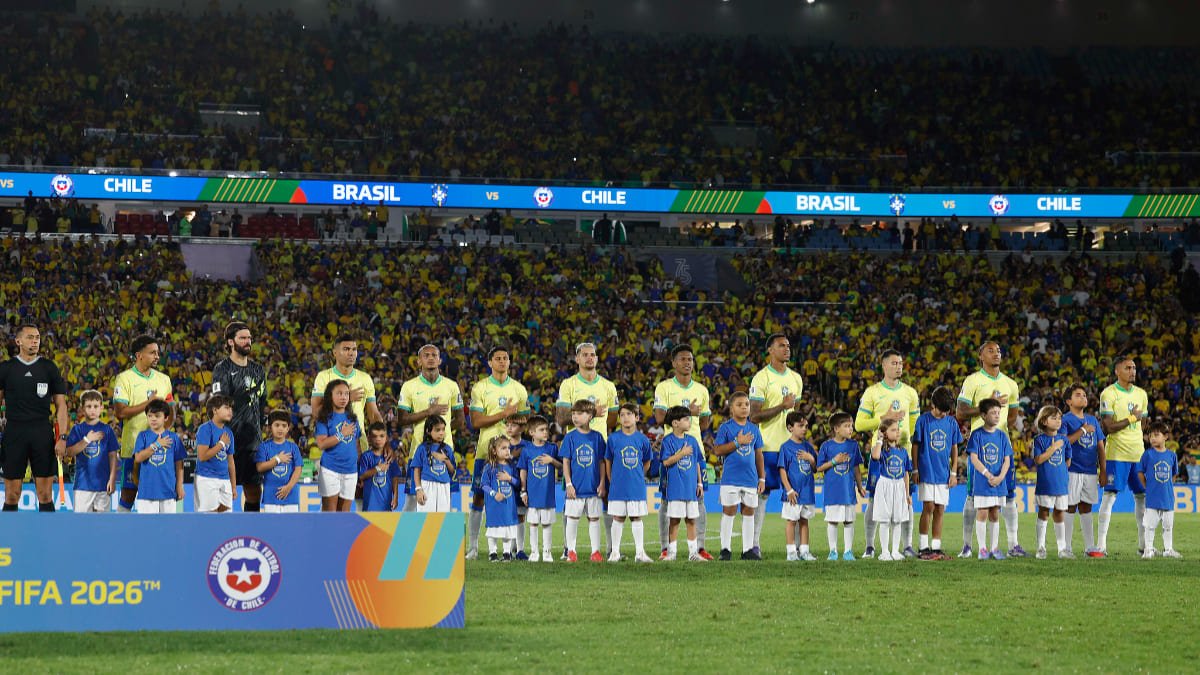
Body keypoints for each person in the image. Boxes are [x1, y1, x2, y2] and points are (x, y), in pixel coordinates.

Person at [956, 341, 1023, 558]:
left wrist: (1000, 428)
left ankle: (1013, 544)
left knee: (1008, 496)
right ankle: (967, 545)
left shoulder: (1011, 384)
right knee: (973, 498)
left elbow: (1013, 414)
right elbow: (960, 412)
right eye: (991, 350)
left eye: (999, 350)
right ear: (981, 355)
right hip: (980, 446)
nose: (997, 353)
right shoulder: (973, 380)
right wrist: (988, 406)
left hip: (1002, 444)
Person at [855, 349, 921, 558]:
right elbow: (859, 424)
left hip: (903, 455)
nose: (898, 366)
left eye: (900, 363)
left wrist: (912, 452)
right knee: (875, 501)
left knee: (906, 499)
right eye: (894, 363)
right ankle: (870, 545)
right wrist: (885, 417)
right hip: (880, 455)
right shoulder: (872, 392)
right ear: (883, 365)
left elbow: (914, 425)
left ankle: (908, 545)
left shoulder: (910, 393)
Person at [556, 342, 619, 557]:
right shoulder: (568, 385)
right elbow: (561, 417)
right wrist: (592, 411)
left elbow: (613, 417)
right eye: (585, 355)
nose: (589, 358)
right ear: (577, 359)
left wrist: (595, 418)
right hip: (576, 452)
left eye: (593, 355)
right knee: (571, 499)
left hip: (600, 448)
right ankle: (568, 549)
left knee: (607, 497)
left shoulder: (608, 386)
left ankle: (611, 549)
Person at [466, 346, 530, 559]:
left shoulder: (519, 389)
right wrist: (504, 413)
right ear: (490, 362)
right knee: (478, 498)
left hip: (512, 454)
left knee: (514, 496)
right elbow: (475, 421)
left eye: (506, 358)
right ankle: (474, 547)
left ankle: (514, 546)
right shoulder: (480, 388)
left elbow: (525, 419)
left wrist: (515, 421)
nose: (502, 361)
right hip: (486, 451)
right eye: (498, 358)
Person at [0, 324, 71, 513]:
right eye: (30, 337)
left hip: (42, 432)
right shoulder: (6, 369)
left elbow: (61, 405)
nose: (35, 341)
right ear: (18, 341)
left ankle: (49, 540)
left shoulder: (48, 368)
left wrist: (62, 437)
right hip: (14, 432)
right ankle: (9, 539)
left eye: (37, 338)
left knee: (45, 494)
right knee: (12, 494)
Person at [652, 345, 714, 560]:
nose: (688, 362)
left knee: (699, 499)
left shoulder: (702, 390)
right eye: (683, 359)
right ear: (674, 363)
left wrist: (693, 420)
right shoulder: (664, 388)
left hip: (694, 451)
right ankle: (665, 547)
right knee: (668, 501)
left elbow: (705, 422)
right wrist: (688, 412)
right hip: (672, 452)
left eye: (690, 359)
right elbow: (660, 418)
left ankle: (699, 547)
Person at [748, 333, 805, 555]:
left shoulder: (796, 378)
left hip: (793, 449)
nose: (787, 349)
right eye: (781, 346)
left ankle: (800, 548)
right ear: (770, 350)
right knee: (761, 496)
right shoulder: (761, 378)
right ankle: (754, 545)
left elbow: (795, 414)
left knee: (796, 496)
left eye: (788, 345)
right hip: (769, 447)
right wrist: (782, 406)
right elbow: (754, 416)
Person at [111, 334, 174, 513]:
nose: (157, 356)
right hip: (133, 448)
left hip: (160, 447)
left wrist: (164, 431)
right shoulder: (125, 378)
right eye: (152, 353)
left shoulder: (164, 380)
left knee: (159, 495)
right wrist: (149, 403)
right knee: (128, 495)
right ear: (139, 355)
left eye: (158, 353)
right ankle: (122, 534)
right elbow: (120, 412)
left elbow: (171, 411)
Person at [211, 322, 268, 512]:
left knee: (253, 491)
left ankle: (251, 529)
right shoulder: (223, 368)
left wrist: (260, 429)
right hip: (229, 439)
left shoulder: (258, 370)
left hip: (253, 440)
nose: (247, 341)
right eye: (242, 338)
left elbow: (262, 402)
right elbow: (219, 403)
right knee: (224, 492)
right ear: (230, 341)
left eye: (249, 338)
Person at [1097, 356, 1150, 557]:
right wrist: (1131, 419)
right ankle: (1101, 546)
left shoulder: (1141, 394)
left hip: (1138, 454)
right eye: (1128, 368)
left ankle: (1144, 546)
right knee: (1109, 497)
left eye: (1134, 367)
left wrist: (1135, 424)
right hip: (1116, 454)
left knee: (1142, 498)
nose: (1133, 371)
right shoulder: (1109, 393)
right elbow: (1107, 427)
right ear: (1117, 371)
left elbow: (1143, 423)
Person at [398, 344, 466, 492]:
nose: (430, 358)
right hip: (417, 450)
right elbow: (402, 419)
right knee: (412, 500)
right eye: (426, 355)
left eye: (434, 355)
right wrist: (428, 412)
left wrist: (439, 432)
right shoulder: (409, 386)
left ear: (440, 360)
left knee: (444, 498)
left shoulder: (452, 386)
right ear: (418, 361)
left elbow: (461, 421)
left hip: (444, 451)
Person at [911, 386, 963, 560]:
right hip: (927, 471)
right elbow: (916, 446)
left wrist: (954, 472)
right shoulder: (923, 421)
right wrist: (915, 468)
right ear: (932, 405)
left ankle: (936, 547)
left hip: (943, 473)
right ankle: (923, 546)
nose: (944, 415)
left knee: (940, 509)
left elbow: (955, 447)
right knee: (929, 507)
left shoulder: (951, 423)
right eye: (942, 411)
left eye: (947, 411)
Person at [712, 391, 765, 561]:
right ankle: (725, 549)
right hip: (731, 479)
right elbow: (717, 450)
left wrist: (762, 478)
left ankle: (748, 550)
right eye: (739, 405)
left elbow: (758, 455)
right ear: (731, 408)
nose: (744, 407)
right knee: (729, 511)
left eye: (747, 404)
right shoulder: (726, 428)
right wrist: (737, 442)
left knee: (749, 512)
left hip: (750, 479)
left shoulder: (754, 429)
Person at [311, 334, 383, 451]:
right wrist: (348, 398)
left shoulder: (365, 378)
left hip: (359, 445)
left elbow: (373, 415)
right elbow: (316, 412)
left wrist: (383, 439)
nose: (351, 353)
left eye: (354, 349)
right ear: (335, 353)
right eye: (346, 349)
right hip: (333, 445)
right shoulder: (323, 377)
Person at [1060, 384, 1107, 557]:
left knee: (1086, 507)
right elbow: (1064, 442)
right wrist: (1082, 430)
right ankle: (1066, 548)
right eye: (1078, 395)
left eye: (1084, 395)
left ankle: (1090, 547)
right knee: (1070, 506)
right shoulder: (1065, 420)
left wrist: (1103, 470)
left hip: (1090, 471)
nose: (1083, 397)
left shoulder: (1093, 420)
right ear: (1069, 401)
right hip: (1072, 470)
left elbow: (1100, 446)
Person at [605, 403, 654, 563]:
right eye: (623, 415)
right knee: (617, 518)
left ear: (637, 417)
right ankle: (615, 553)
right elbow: (608, 461)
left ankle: (640, 553)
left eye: (629, 414)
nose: (626, 417)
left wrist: (639, 475)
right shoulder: (613, 439)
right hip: (618, 486)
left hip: (636, 486)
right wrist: (612, 480)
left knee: (636, 517)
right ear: (619, 419)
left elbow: (647, 461)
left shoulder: (643, 439)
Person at [966, 399, 1014, 560]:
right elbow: (974, 458)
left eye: (998, 413)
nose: (997, 416)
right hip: (983, 482)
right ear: (983, 415)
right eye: (993, 412)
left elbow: (1007, 459)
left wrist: (1000, 477)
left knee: (995, 513)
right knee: (983, 512)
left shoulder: (1002, 436)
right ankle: (982, 548)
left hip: (999, 482)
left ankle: (994, 548)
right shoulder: (977, 434)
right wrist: (988, 474)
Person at [560, 400, 607, 563]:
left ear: (590, 416)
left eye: (579, 414)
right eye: (573, 414)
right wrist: (568, 484)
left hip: (593, 487)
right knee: (572, 518)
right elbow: (566, 462)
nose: (575, 417)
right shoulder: (570, 437)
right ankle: (571, 551)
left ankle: (595, 551)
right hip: (576, 488)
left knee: (594, 518)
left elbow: (602, 462)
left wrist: (602, 483)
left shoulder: (598, 437)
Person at [660, 405, 706, 562]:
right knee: (674, 521)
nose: (689, 421)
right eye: (686, 419)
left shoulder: (692, 440)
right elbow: (666, 462)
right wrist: (681, 453)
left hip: (690, 488)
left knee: (691, 520)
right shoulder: (668, 441)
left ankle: (693, 553)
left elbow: (697, 462)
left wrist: (700, 483)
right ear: (675, 423)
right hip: (676, 489)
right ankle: (671, 553)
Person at [817, 412, 865, 561]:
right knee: (832, 521)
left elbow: (856, 467)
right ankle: (833, 551)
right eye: (846, 426)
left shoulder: (853, 445)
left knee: (849, 521)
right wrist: (834, 461)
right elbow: (819, 468)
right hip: (833, 491)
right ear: (836, 429)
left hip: (848, 491)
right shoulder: (827, 446)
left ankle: (848, 551)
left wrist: (859, 485)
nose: (850, 429)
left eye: (851, 426)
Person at [65, 390, 119, 513]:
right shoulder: (77, 429)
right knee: (81, 525)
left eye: (95, 406)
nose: (92, 410)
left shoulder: (107, 430)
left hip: (103, 485)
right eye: (88, 406)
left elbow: (112, 456)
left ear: (101, 408)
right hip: (83, 486)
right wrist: (87, 439)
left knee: (102, 526)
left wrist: (112, 478)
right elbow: (69, 452)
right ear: (82, 409)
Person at [518, 415, 560, 563]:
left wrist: (552, 461)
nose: (545, 432)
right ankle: (534, 552)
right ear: (532, 433)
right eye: (541, 430)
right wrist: (523, 490)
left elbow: (562, 466)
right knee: (533, 523)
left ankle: (547, 552)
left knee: (547, 523)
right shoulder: (527, 451)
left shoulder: (552, 448)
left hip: (547, 494)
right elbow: (523, 471)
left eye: (546, 429)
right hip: (533, 494)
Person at [870, 419, 913, 562]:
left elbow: (906, 473)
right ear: (885, 433)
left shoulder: (903, 451)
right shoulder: (881, 449)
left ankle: (895, 551)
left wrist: (907, 494)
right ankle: (884, 552)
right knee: (884, 520)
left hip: (899, 485)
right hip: (885, 485)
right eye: (893, 430)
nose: (897, 432)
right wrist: (879, 440)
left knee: (898, 520)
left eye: (898, 429)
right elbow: (875, 457)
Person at [1032, 406, 1072, 559]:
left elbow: (1068, 461)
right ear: (1044, 421)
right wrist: (1054, 447)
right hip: (1045, 484)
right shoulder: (1039, 440)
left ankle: (1062, 549)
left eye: (1059, 418)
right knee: (1043, 513)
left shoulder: (1064, 439)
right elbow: (1039, 459)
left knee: (1059, 514)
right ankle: (1041, 547)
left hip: (1061, 484)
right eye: (1054, 418)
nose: (1058, 421)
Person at [131, 400, 185, 514]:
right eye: (150, 416)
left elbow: (179, 464)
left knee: (168, 528)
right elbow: (138, 458)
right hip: (147, 492)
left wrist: (179, 486)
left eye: (157, 416)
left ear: (165, 418)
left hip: (168, 491)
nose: (153, 419)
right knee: (147, 529)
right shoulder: (143, 436)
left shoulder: (173, 437)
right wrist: (157, 445)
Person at [314, 379, 360, 512]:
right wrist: (341, 434)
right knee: (330, 513)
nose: (343, 397)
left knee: (344, 513)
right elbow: (322, 444)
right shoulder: (324, 418)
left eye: (346, 394)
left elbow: (356, 444)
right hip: (330, 470)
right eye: (339, 393)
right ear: (330, 396)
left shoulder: (353, 418)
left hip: (351, 471)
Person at [778, 412, 818, 561]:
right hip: (793, 493)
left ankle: (804, 551)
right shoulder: (786, 447)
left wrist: (811, 458)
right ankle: (791, 552)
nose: (804, 429)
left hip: (807, 491)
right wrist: (789, 489)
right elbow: (782, 470)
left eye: (806, 426)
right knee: (791, 521)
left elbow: (815, 468)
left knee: (804, 521)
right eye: (800, 426)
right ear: (790, 428)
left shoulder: (808, 447)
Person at [1138, 422, 1181, 559]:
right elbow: (1140, 472)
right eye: (1150, 436)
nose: (1152, 438)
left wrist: (1168, 486)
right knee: (1149, 525)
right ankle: (1148, 550)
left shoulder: (1172, 456)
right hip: (1152, 497)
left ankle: (1168, 549)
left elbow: (1174, 474)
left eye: (1156, 435)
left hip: (1167, 497)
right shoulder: (1147, 455)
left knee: (1168, 526)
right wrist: (1147, 486)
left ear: (1166, 437)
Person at [193, 394, 238, 513]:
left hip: (225, 481)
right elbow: (202, 456)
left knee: (227, 521)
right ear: (215, 410)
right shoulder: (205, 429)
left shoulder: (229, 433)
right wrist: (221, 444)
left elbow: (230, 461)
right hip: (206, 479)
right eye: (226, 408)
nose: (230, 411)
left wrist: (233, 486)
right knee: (208, 521)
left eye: (231, 408)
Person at [480, 437, 520, 562]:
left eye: (508, 448)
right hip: (494, 505)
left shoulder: (512, 467)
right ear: (494, 451)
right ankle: (492, 553)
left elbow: (518, 483)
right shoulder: (489, 467)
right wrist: (494, 493)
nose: (507, 451)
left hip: (508, 505)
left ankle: (507, 552)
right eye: (503, 448)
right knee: (494, 528)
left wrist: (509, 479)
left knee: (507, 528)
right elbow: (483, 485)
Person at [256, 410, 303, 513]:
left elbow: (298, 469)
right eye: (277, 425)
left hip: (291, 495)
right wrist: (278, 459)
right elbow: (260, 467)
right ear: (270, 427)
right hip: (271, 496)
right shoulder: (264, 447)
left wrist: (289, 487)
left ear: (288, 428)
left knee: (291, 527)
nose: (280, 428)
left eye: (284, 425)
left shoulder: (293, 447)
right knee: (272, 528)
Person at [409, 416, 456, 513]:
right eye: (437, 430)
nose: (441, 433)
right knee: (426, 518)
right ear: (428, 431)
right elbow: (416, 470)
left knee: (443, 520)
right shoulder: (422, 448)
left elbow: (452, 471)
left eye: (443, 429)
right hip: (427, 485)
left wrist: (445, 460)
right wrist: (418, 489)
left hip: (444, 486)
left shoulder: (447, 449)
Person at [359, 422, 400, 512]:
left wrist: (396, 497)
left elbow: (395, 477)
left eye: (381, 436)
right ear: (369, 438)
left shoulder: (390, 457)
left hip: (386, 505)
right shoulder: (366, 456)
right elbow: (361, 476)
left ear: (386, 438)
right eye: (375, 436)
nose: (378, 439)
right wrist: (377, 468)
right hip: (370, 506)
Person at [503, 417, 529, 558]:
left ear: (522, 428)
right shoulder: (501, 444)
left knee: (520, 517)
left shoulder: (527, 446)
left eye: (513, 425)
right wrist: (512, 455)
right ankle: (507, 549)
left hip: (521, 485)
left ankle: (520, 549)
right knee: (507, 517)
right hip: (506, 486)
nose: (509, 428)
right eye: (507, 425)